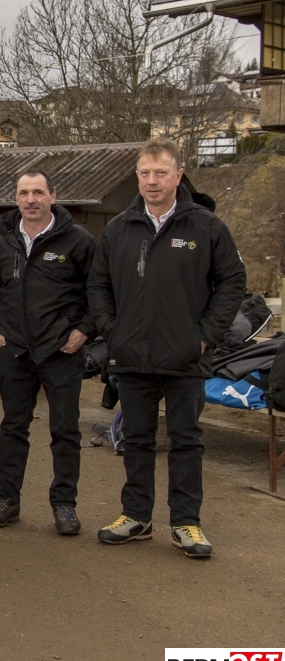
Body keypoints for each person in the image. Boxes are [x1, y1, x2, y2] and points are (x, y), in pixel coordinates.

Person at [88, 138, 245, 558]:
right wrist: (113, 332)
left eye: (161, 173)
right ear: (137, 178)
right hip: (132, 357)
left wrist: (204, 336)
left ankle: (186, 523)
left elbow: (232, 282)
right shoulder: (119, 229)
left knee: (186, 441)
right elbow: (98, 286)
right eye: (145, 173)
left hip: (185, 357)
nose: (152, 181)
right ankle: (136, 516)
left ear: (179, 176)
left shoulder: (206, 227)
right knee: (136, 439)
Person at [0, 169, 96, 534]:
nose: (30, 200)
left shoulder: (79, 241)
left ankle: (64, 505)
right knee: (13, 427)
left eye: (38, 192)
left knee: (65, 431)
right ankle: (6, 500)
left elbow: (99, 291)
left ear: (52, 196)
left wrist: (83, 330)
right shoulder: (5, 241)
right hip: (16, 350)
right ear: (16, 198)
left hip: (61, 350)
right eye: (24, 193)